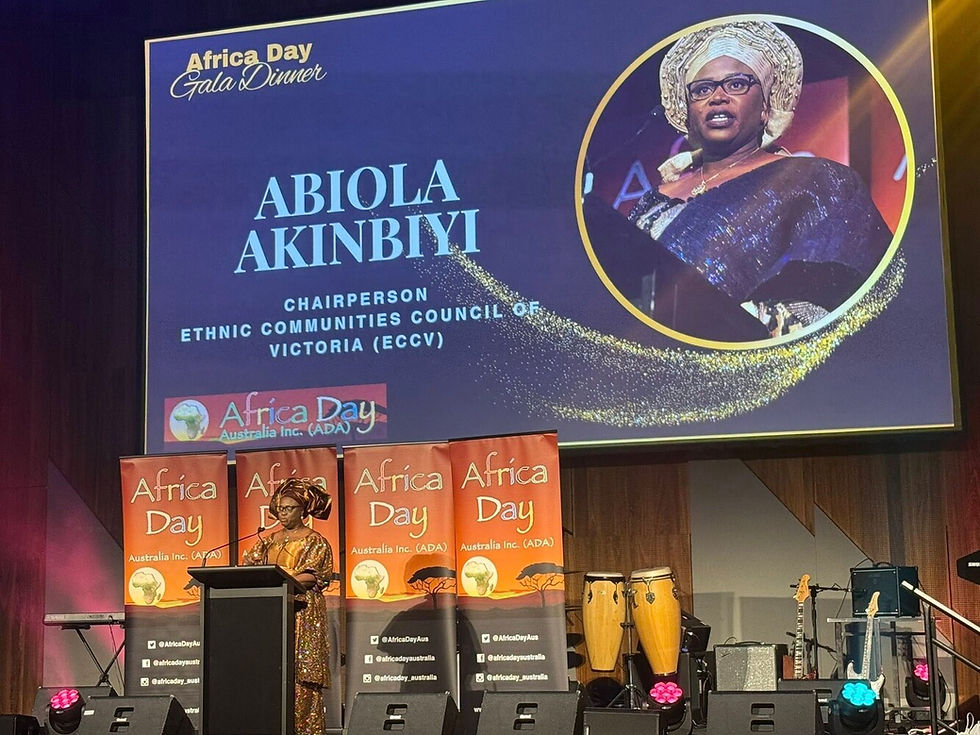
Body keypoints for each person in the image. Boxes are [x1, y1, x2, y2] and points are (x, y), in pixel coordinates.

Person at [621, 19, 892, 340]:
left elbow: (842, 300)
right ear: (689, 113)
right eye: (703, 89)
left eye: (736, 84)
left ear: (766, 107)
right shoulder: (654, 197)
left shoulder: (818, 182)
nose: (717, 97)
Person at [242, 478, 333, 735]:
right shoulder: (267, 540)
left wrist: (285, 577)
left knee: (301, 681)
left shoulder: (315, 541)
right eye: (279, 508)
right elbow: (249, 567)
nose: (282, 513)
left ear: (302, 510)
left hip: (302, 612)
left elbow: (315, 576)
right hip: (271, 613)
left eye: (288, 508)